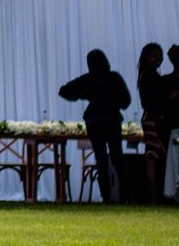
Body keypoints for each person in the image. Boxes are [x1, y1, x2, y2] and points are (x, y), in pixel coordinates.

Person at [60, 49, 130, 203]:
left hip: (95, 121)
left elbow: (64, 91)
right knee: (117, 157)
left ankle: (106, 196)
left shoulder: (88, 79)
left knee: (101, 158)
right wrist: (111, 101)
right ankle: (125, 195)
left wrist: (85, 95)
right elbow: (126, 101)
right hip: (112, 120)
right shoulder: (114, 78)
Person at [136, 43, 167, 203]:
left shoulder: (146, 75)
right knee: (153, 158)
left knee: (153, 157)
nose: (159, 60)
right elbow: (150, 101)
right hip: (153, 118)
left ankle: (155, 196)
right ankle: (154, 197)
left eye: (160, 56)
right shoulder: (150, 76)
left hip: (150, 117)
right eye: (155, 56)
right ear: (147, 57)